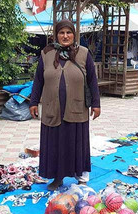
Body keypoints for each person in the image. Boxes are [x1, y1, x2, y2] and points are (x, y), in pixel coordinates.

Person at [29, 19, 101, 191]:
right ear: (56, 35)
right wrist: (33, 101)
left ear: (74, 35)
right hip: (52, 108)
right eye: (61, 33)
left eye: (68, 32)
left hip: (76, 107)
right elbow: (38, 80)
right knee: (55, 143)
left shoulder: (83, 53)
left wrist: (96, 104)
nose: (65, 36)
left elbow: (92, 80)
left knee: (77, 141)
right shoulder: (46, 53)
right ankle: (57, 177)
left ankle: (81, 175)